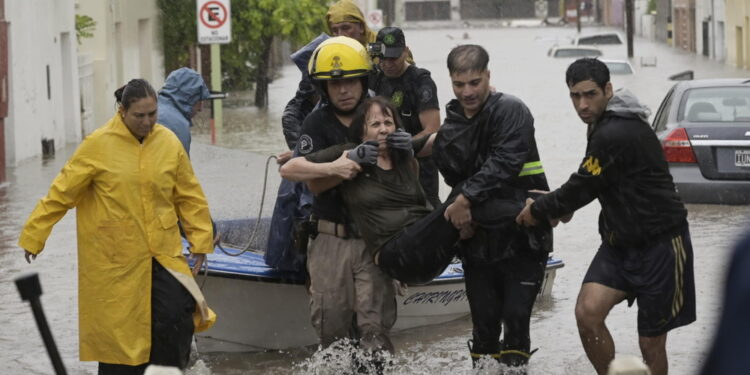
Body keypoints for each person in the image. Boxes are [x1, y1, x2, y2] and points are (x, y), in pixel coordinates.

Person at [18, 79, 216, 374]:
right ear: (122, 111)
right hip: (116, 260)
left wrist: (201, 241)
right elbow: (61, 193)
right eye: (139, 116)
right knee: (120, 340)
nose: (147, 122)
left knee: (176, 317)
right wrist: (34, 235)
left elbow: (189, 195)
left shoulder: (168, 142)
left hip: (163, 254)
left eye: (153, 114)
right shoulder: (98, 145)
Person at [516, 58, 695, 375]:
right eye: (575, 96)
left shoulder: (617, 130)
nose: (582, 104)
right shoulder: (601, 124)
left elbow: (582, 186)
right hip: (619, 244)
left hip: (662, 246)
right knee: (588, 313)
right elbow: (593, 181)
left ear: (608, 90)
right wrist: (563, 204)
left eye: (590, 94)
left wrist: (540, 211)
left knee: (651, 344)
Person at [301, 96, 534, 287]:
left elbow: (442, 138)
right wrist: (340, 165)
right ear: (361, 133)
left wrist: (483, 106)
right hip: (396, 254)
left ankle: (525, 218)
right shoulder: (349, 152)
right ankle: (536, 209)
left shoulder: (402, 152)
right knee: (464, 195)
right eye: (375, 125)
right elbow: (291, 168)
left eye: (388, 123)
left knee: (468, 195)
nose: (383, 130)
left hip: (424, 250)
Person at [430, 44, 552, 372]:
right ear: (451, 83)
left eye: (474, 82)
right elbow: (453, 181)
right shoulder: (451, 130)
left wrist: (464, 201)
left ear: (488, 76)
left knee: (515, 320)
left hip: (524, 236)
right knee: (484, 326)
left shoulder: (512, 110)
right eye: (459, 84)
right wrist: (460, 218)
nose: (467, 91)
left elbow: (505, 163)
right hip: (478, 241)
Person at [279, 37, 396, 359]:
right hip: (331, 238)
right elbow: (306, 177)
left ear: (363, 81)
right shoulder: (315, 123)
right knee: (332, 329)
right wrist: (338, 168)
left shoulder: (380, 116)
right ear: (323, 88)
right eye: (334, 84)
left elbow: (409, 159)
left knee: (375, 332)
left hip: (372, 239)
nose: (343, 90)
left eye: (349, 82)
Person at [368, 26, 442, 207]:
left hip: (419, 165)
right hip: (383, 163)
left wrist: (406, 146)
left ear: (406, 51)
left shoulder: (421, 82)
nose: (388, 64)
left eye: (394, 57)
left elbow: (433, 130)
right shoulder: (375, 78)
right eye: (383, 58)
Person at [157, 67, 211, 155]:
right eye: (199, 100)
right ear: (189, 97)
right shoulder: (178, 125)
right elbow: (182, 167)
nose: (201, 109)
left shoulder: (151, 109)